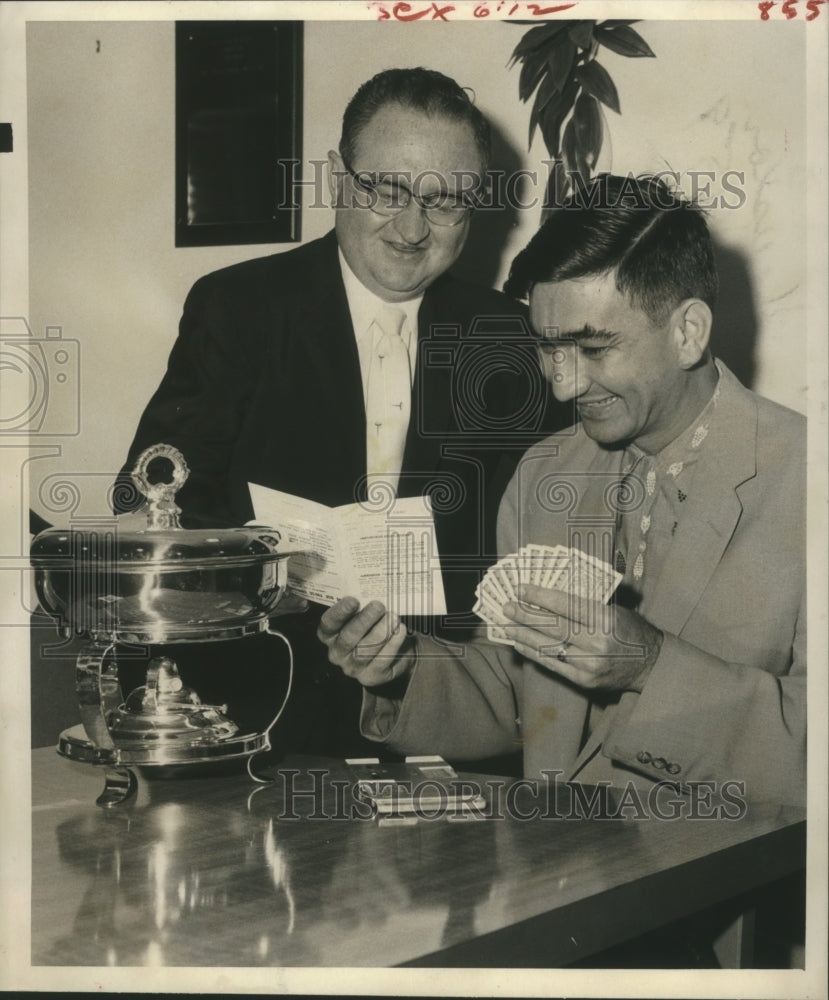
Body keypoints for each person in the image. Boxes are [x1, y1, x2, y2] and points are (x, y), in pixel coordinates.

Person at [318, 173, 806, 807]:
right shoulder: (544, 473)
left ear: (688, 331)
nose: (564, 385)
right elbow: (518, 694)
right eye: (549, 348)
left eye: (594, 348)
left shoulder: (807, 479)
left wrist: (652, 666)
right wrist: (403, 668)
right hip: (552, 856)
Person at [115, 68, 558, 757]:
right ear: (335, 179)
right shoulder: (241, 308)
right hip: (256, 709)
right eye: (387, 190)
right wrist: (265, 576)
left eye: (445, 201)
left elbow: (538, 536)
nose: (412, 228)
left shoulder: (508, 336)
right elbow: (149, 500)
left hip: (442, 719)